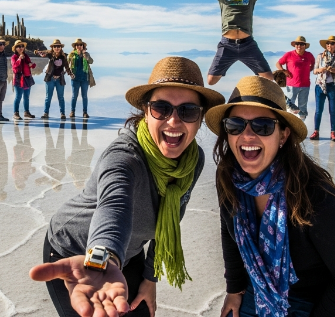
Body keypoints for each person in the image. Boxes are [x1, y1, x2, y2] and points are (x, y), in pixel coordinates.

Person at [29, 57, 226, 317]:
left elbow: (171, 219)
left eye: (187, 110)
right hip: (75, 257)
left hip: (128, 254)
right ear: (146, 111)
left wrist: (150, 276)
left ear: (200, 118)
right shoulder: (124, 157)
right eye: (161, 108)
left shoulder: (192, 159)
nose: (174, 121)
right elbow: (115, 207)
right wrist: (103, 259)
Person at [205, 76, 335, 317]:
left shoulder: (315, 195)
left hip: (329, 293)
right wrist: (235, 288)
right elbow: (228, 231)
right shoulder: (229, 176)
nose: (247, 135)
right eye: (235, 125)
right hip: (265, 282)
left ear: (283, 136)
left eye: (263, 126)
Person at [169, 0, 315, 85]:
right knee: (211, 81)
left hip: (248, 45)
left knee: (269, 78)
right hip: (227, 45)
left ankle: (271, 96)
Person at [310, 36, 335, 142]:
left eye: (332, 43)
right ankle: (316, 132)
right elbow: (314, 71)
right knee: (318, 111)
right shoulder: (320, 56)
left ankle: (333, 133)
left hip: (333, 86)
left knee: (333, 110)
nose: (329, 45)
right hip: (320, 86)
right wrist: (321, 69)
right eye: (328, 43)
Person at [276, 36, 316, 120]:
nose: (299, 46)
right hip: (291, 85)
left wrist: (308, 70)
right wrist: (284, 71)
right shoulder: (289, 54)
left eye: (301, 44)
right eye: (297, 44)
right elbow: (278, 63)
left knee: (303, 108)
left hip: (305, 85)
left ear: (305, 46)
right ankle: (288, 124)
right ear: (294, 45)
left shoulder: (309, 55)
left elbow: (312, 64)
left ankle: (301, 127)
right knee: (288, 106)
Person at [38, 39, 73, 120]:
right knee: (48, 97)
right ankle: (46, 113)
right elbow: (43, 52)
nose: (57, 48)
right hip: (50, 79)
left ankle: (62, 113)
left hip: (59, 80)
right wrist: (37, 52)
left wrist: (70, 74)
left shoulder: (63, 57)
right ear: (53, 48)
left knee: (61, 97)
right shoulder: (50, 55)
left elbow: (67, 67)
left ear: (61, 47)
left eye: (58, 46)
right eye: (55, 46)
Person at [68, 38, 95, 119]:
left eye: (80, 45)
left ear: (83, 46)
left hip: (84, 78)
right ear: (75, 46)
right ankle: (72, 111)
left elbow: (91, 61)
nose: (79, 46)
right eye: (77, 45)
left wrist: (85, 55)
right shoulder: (72, 54)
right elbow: (66, 64)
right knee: (74, 96)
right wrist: (70, 73)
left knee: (84, 96)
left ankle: (85, 112)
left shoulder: (86, 54)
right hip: (75, 78)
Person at [11, 40, 37, 120]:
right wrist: (19, 59)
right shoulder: (14, 57)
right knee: (18, 96)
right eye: (19, 47)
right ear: (15, 48)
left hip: (27, 78)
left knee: (26, 96)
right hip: (19, 79)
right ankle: (16, 113)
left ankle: (26, 112)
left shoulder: (26, 56)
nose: (21, 48)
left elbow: (32, 65)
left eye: (22, 46)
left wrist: (31, 65)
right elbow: (14, 68)